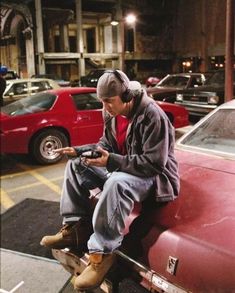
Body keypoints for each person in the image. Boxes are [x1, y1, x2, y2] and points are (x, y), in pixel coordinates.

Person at [40, 70, 180, 291]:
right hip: (125, 167)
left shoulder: (153, 116)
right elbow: (106, 145)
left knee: (116, 182)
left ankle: (102, 253)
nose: (105, 107)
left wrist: (112, 161)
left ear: (126, 96)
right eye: (102, 101)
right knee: (75, 165)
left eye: (109, 101)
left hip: (154, 177)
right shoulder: (112, 115)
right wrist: (80, 151)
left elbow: (154, 164)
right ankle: (76, 228)